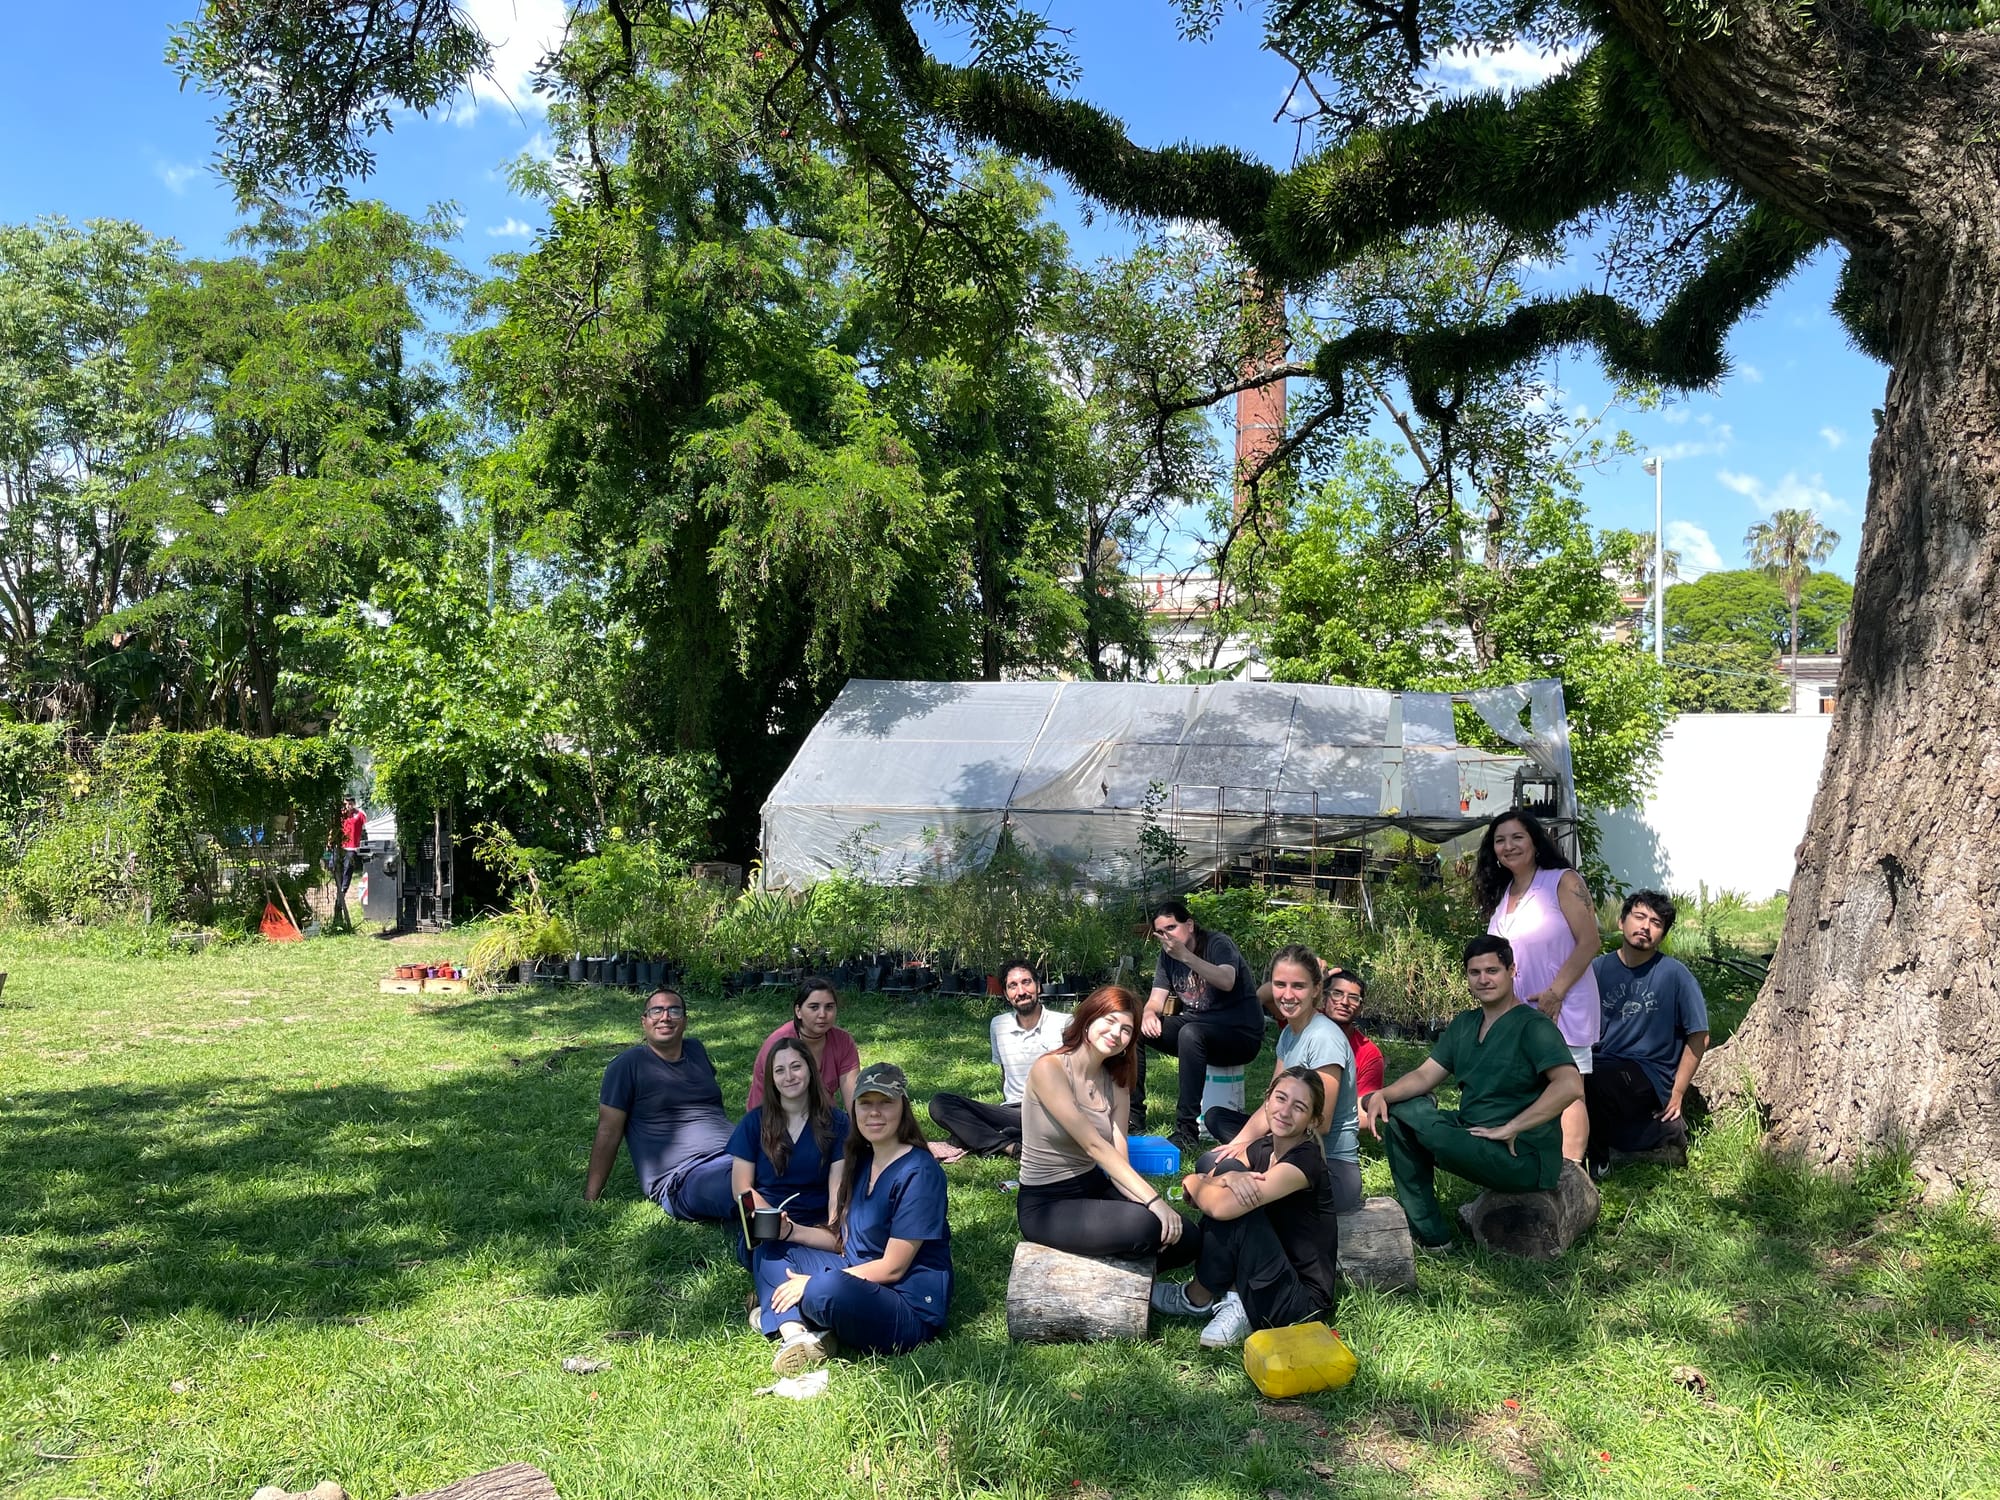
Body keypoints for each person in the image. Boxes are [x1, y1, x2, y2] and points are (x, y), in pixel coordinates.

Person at [1359, 936, 1585, 1252]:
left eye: (1492, 970)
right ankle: (1433, 1236)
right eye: (1474, 972)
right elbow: (1426, 1074)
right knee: (1397, 1118)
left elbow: (1570, 1085)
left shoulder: (1533, 1026)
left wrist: (1513, 1126)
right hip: (1472, 1133)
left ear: (1512, 971)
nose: (1483, 979)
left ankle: (1421, 1112)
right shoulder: (1466, 1023)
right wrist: (1384, 1093)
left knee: (1412, 1117)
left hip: (1520, 1155)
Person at [751, 1062, 953, 1374]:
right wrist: (790, 1231)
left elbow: (893, 1267)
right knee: (769, 1249)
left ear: (903, 1108)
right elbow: (843, 1240)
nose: (875, 1113)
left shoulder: (920, 1172)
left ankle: (780, 1312)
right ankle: (797, 1334)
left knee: (825, 1289)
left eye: (886, 1103)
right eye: (866, 1103)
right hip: (852, 1272)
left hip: (904, 1304)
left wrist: (812, 1283)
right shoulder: (862, 1161)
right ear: (854, 1108)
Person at [1152, 1067, 1340, 1348]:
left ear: (1313, 1120)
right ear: (1267, 1100)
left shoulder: (1305, 1161)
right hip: (1273, 1268)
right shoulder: (1265, 1147)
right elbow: (1216, 1175)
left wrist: (1196, 1181)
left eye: (1299, 1107)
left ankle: (1210, 1298)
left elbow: (1220, 1206)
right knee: (1230, 1173)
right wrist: (1226, 1178)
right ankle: (1217, 1295)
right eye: (1280, 1098)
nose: (1285, 1111)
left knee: (1239, 1210)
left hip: (1301, 1303)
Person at [1017, 985, 1201, 1266]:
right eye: (1110, 1021)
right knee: (1147, 1225)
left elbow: (1119, 1153)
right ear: (1089, 1018)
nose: (1116, 1033)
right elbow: (1094, 1146)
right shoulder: (1050, 1069)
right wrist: (1154, 1203)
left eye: (1126, 1029)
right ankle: (1119, 1258)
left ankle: (1124, 1267)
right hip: (1047, 1202)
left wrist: (1141, 1200)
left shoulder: (1116, 1080)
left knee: (1186, 1236)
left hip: (1093, 1185)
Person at [1477, 808, 1603, 1164]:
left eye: (1517, 837)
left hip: (1563, 1002)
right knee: (1533, 1085)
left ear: (1534, 841)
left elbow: (1590, 941)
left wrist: (1556, 992)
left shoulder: (1563, 880)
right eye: (1500, 840)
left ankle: (1573, 1172)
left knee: (1569, 1086)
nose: (1508, 846)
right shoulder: (1504, 894)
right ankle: (1537, 1162)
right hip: (1520, 1010)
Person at [1217, 946, 1361, 1212]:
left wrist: (1259, 1152)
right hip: (1287, 1144)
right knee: (1218, 1157)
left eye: (1298, 986)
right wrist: (1238, 1144)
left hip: (1326, 1166)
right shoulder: (1289, 1033)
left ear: (1317, 989)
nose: (1287, 995)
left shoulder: (1323, 1039)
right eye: (1280, 984)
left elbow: (1321, 1123)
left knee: (1224, 1176)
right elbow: (1273, 1101)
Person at [1587, 890, 1710, 1176]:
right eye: (1639, 917)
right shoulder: (1597, 969)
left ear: (1663, 934)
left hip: (1649, 1073)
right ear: (1621, 922)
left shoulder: (1674, 974)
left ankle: (1598, 1161)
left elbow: (1700, 1036)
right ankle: (1660, 1136)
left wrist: (1677, 1093)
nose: (1645, 927)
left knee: (1590, 1078)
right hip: (1602, 1061)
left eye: (1656, 923)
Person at [586, 990, 735, 1221]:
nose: (665, 1017)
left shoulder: (695, 1050)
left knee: (797, 1159)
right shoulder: (627, 1066)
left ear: (685, 1021)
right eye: (656, 1010)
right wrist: (590, 1198)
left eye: (674, 1010)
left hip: (736, 1154)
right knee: (742, 1184)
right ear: (644, 1021)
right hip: (684, 1175)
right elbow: (608, 1131)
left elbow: (712, 1107)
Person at [1134, 900, 1266, 1152]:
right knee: (1135, 1030)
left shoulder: (1217, 944)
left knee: (1190, 1033)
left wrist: (1186, 956)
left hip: (1240, 1034)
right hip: (1197, 1028)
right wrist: (1149, 1014)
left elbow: (1227, 980)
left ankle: (1186, 1130)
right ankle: (1133, 1116)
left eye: (1171, 927)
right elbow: (1156, 1000)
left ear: (1190, 925)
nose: (1166, 936)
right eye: (1160, 932)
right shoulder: (1167, 956)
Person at [926, 958, 1069, 1161]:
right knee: (940, 1104)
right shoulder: (998, 1025)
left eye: (1026, 982)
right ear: (1006, 994)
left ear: (1038, 986)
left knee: (1054, 1127)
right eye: (1013, 986)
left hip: (1052, 1112)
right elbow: (1005, 1073)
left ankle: (985, 1136)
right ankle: (1010, 1146)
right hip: (1013, 1111)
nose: (1021, 992)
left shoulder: (1064, 1023)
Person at [727, 1036, 849, 1266]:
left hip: (815, 1224)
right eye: (780, 1070)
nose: (789, 1077)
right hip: (766, 1223)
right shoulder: (754, 1123)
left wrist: (834, 1230)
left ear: (810, 1070)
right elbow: (741, 1188)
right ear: (772, 1079)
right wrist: (772, 1221)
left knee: (830, 1261)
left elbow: (838, 1189)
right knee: (771, 1253)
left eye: (796, 1067)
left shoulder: (837, 1123)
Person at [748, 975, 861, 1114]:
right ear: (798, 1011)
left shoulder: (843, 1041)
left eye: (829, 1007)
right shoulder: (779, 1045)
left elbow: (854, 1101)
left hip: (824, 1118)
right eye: (814, 1007)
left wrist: (859, 1130)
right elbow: (778, 1106)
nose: (822, 1014)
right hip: (774, 1119)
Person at [1320, 966, 1386, 1098]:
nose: (1344, 1002)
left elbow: (1363, 1109)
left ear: (1361, 1008)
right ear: (1324, 998)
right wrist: (1311, 981)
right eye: (1337, 994)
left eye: (1353, 998)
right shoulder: (1305, 1023)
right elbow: (1273, 997)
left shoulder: (1370, 1055)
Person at [333, 795, 367, 903]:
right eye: (346, 803)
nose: (348, 806)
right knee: (334, 864)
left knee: (348, 868)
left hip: (352, 847)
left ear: (354, 803)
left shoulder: (359, 815)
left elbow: (366, 826)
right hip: (341, 846)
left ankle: (343, 889)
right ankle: (338, 886)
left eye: (350, 803)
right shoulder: (341, 816)